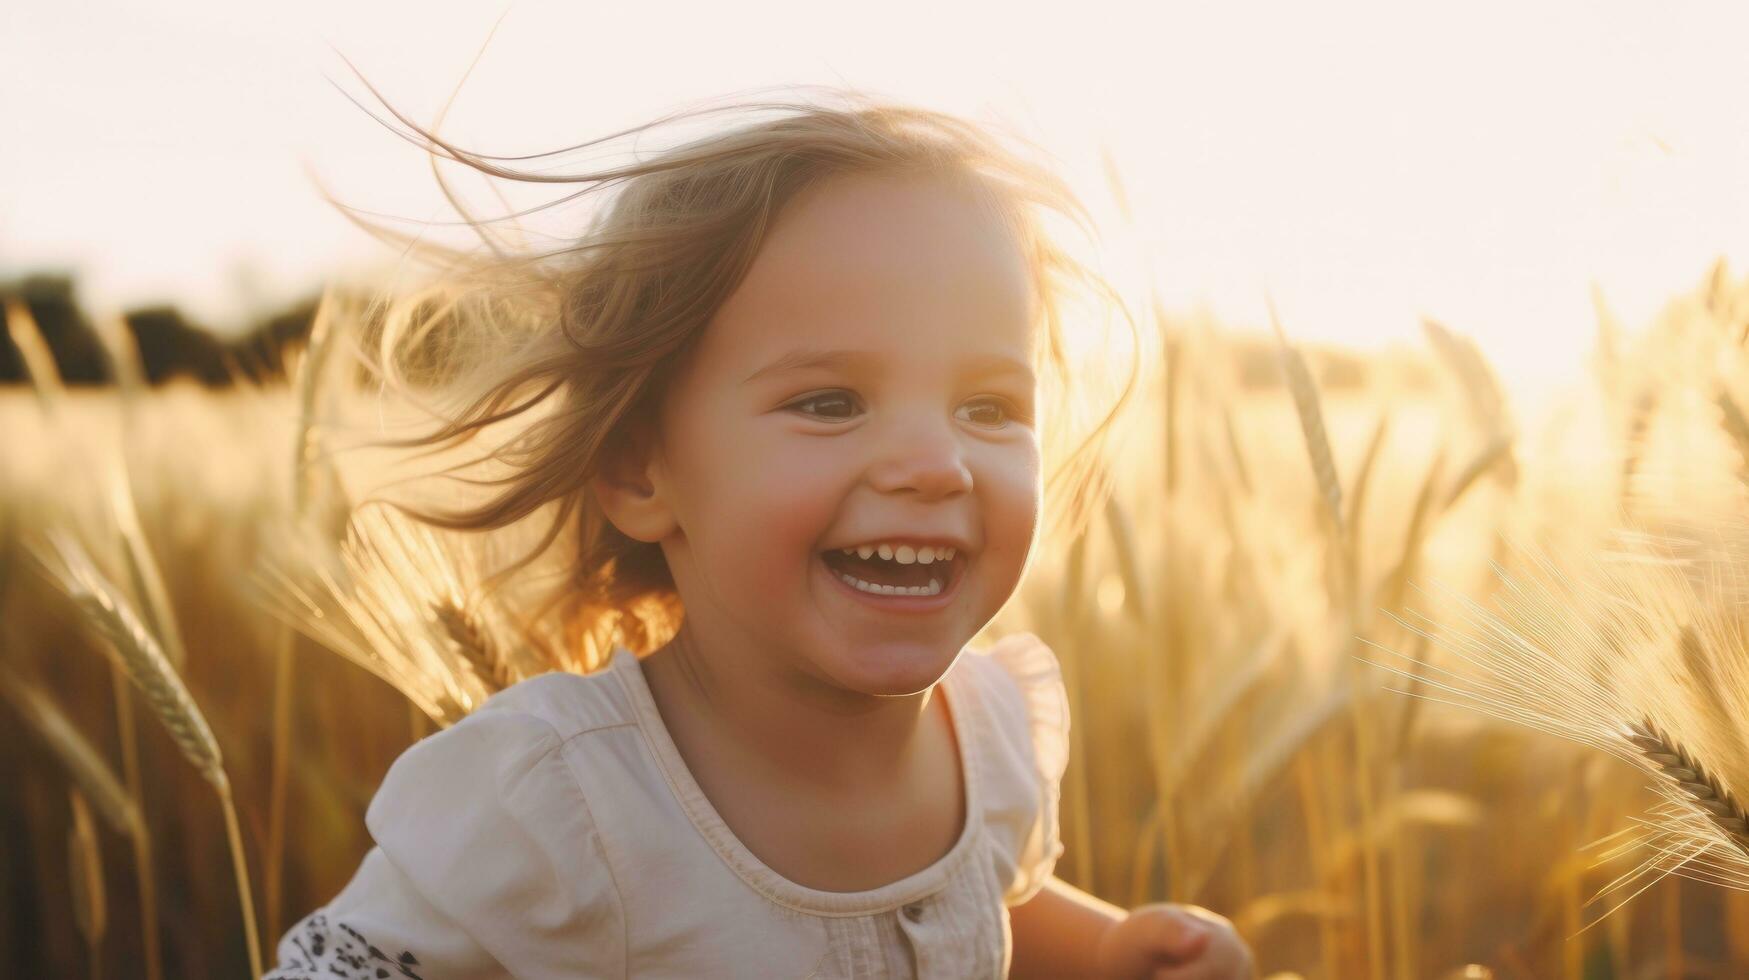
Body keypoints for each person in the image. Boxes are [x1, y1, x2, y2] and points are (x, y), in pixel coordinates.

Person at [264, 90, 1256, 979]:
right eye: (830, 401)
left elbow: (981, 907)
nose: (935, 463)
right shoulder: (557, 804)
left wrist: (1106, 946)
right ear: (640, 471)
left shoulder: (991, 739)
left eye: (988, 406)